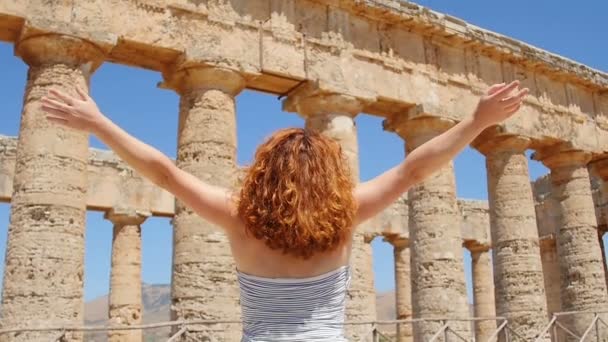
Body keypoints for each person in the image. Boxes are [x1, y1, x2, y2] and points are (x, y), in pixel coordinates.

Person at [41, 80, 527, 341]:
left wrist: (99, 123)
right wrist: (476, 121)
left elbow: (165, 172)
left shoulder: (238, 216)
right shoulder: (347, 213)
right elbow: (413, 171)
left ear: (264, 173)